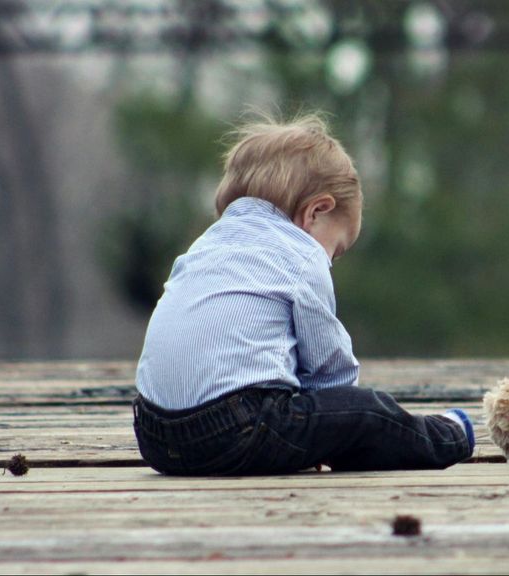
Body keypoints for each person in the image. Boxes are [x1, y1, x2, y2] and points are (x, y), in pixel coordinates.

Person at [131, 114, 474, 475]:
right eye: (336, 250)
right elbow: (329, 370)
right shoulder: (301, 254)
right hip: (235, 430)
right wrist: (338, 421)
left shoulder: (204, 246)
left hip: (154, 436)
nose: (330, 261)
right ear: (316, 212)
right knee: (369, 412)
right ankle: (449, 435)